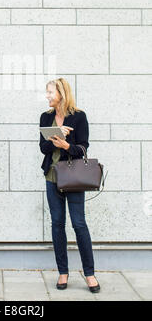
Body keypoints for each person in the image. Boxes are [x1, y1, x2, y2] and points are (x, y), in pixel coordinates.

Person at [39, 78, 100, 293]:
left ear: (61, 94)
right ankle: (63, 272)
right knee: (57, 224)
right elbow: (43, 148)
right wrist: (55, 136)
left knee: (79, 224)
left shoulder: (79, 116)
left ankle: (90, 274)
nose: (47, 96)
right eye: (46, 92)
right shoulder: (46, 117)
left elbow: (83, 148)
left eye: (49, 92)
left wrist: (66, 145)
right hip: (52, 177)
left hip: (73, 178)